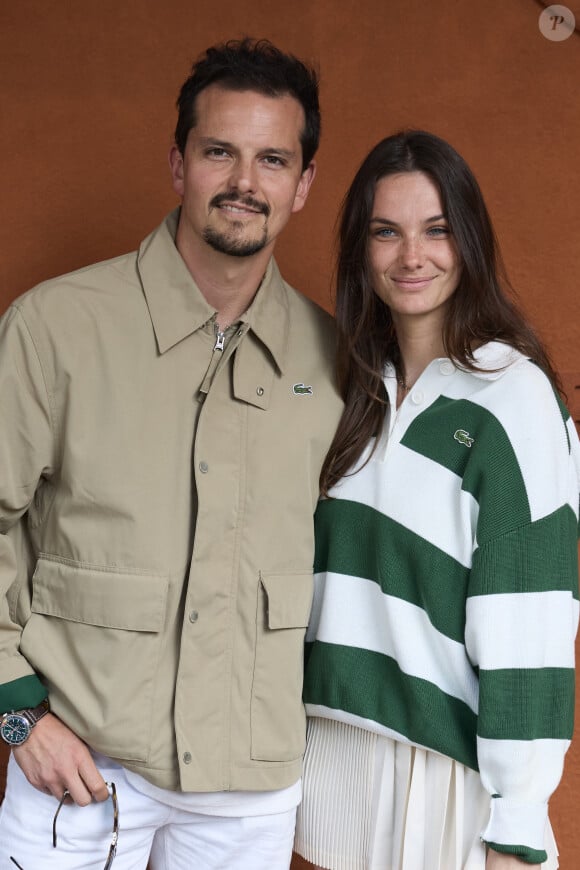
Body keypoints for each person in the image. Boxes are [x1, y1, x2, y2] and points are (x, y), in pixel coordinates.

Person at [0, 38, 343, 869]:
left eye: (272, 159)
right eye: (219, 151)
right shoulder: (56, 326)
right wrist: (15, 715)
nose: (244, 182)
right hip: (79, 771)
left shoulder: (336, 359)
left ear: (301, 185)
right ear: (178, 163)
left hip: (249, 791)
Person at [293, 130, 580, 870]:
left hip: (447, 772)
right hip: (332, 752)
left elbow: (531, 619)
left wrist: (517, 821)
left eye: (437, 230)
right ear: (362, 247)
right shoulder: (348, 386)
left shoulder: (513, 400)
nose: (410, 256)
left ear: (470, 242)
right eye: (386, 232)